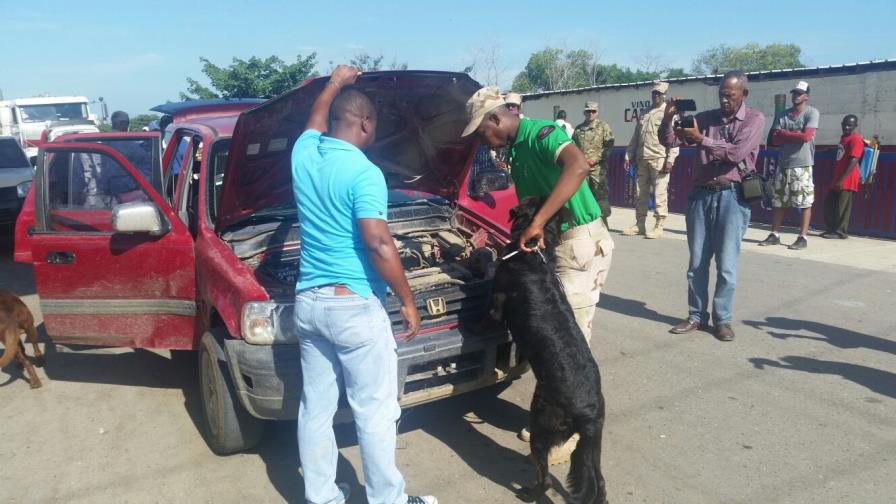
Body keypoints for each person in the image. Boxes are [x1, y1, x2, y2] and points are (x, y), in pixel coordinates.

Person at [291, 65, 436, 504]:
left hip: (308, 303)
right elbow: (378, 242)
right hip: (353, 305)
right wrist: (408, 300)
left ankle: (323, 497)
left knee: (315, 408)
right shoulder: (365, 172)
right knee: (374, 411)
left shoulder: (303, 153)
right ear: (366, 124)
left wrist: (335, 84)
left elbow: (315, 120)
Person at [462, 86, 614, 463]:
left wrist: (539, 223)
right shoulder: (513, 150)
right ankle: (556, 415)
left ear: (495, 118)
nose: (484, 141)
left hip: (579, 242)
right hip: (555, 242)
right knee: (553, 335)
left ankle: (565, 435)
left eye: (482, 132)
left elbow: (578, 165)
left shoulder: (542, 133)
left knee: (570, 343)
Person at [660, 71, 765, 342]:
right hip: (701, 195)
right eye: (721, 94)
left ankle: (723, 319)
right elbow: (669, 141)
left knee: (727, 264)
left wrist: (701, 139)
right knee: (696, 263)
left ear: (744, 94)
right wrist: (669, 116)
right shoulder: (705, 118)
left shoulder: (754, 119)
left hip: (732, 196)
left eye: (729, 95)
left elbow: (736, 153)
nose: (724, 100)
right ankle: (696, 315)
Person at [758, 81, 820, 250]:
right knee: (778, 200)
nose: (796, 96)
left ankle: (803, 237)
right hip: (784, 163)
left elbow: (806, 136)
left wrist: (786, 134)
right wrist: (793, 134)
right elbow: (776, 139)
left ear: (806, 96)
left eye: (800, 93)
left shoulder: (811, 113)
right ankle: (775, 234)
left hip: (802, 163)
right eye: (794, 93)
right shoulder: (783, 115)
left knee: (804, 201)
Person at [623, 82, 680, 238]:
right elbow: (636, 136)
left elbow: (675, 138)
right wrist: (628, 154)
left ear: (664, 95)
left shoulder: (669, 113)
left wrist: (671, 159)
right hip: (643, 159)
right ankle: (640, 224)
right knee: (640, 194)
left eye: (659, 94)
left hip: (659, 159)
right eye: (654, 93)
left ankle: (658, 226)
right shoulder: (645, 112)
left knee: (660, 194)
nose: (656, 96)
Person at [573, 101, 614, 227]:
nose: (590, 113)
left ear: (597, 112)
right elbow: (573, 147)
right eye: (588, 111)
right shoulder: (579, 129)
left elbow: (609, 145)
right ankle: (587, 222)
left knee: (600, 195)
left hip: (597, 168)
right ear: (584, 112)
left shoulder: (603, 126)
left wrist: (596, 158)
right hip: (582, 169)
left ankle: (603, 222)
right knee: (584, 195)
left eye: (593, 111)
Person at [823, 115, 863, 239]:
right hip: (838, 177)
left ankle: (840, 232)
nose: (846, 127)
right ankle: (831, 229)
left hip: (847, 178)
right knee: (829, 204)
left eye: (850, 125)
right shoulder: (845, 138)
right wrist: (833, 149)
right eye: (845, 124)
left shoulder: (856, 139)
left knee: (842, 207)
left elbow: (854, 159)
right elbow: (844, 151)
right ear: (841, 124)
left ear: (855, 126)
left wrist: (841, 179)